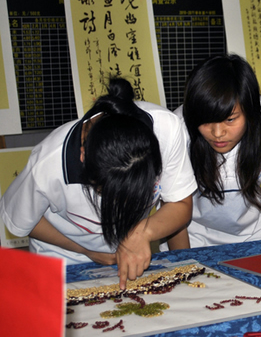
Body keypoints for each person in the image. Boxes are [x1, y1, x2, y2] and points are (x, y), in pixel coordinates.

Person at [0, 78, 197, 289]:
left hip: (132, 251)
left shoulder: (166, 129)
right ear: (83, 155)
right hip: (65, 260)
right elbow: (22, 223)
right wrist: (86, 251)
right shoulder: (47, 164)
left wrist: (141, 232)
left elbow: (180, 204)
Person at [165, 54, 261, 250]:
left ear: (250, 110)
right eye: (206, 121)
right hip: (191, 236)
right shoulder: (178, 128)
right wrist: (184, 260)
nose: (218, 133)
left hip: (250, 237)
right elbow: (172, 203)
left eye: (230, 120)